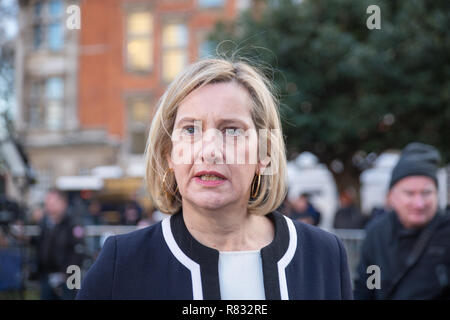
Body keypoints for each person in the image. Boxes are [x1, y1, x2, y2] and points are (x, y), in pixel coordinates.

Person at [77, 58, 352, 300]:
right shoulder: (122, 263)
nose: (210, 151)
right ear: (168, 153)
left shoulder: (322, 256)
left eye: (231, 130)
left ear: (264, 152)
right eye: (190, 129)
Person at [354, 142, 450, 299]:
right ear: (392, 196)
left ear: (437, 194)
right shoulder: (377, 235)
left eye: (426, 193)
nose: (419, 203)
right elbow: (369, 287)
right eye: (409, 193)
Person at [33, 189, 85, 300]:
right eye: (48, 203)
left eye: (53, 203)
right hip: (47, 277)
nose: (49, 206)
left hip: (68, 278)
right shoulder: (44, 224)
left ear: (63, 203)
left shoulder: (73, 223)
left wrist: (65, 275)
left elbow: (78, 251)